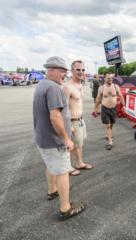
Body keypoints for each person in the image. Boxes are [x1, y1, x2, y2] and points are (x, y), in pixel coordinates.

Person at [33, 56, 86, 221]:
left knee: (51, 166)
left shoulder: (42, 84)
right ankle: (65, 208)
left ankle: (52, 191)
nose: (65, 74)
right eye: (61, 71)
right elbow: (55, 116)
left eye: (65, 71)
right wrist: (66, 139)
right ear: (51, 70)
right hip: (54, 141)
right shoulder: (54, 87)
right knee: (63, 171)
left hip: (43, 139)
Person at [63, 60, 93, 176]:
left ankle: (79, 163)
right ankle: (67, 167)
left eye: (83, 69)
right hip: (72, 121)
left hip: (80, 120)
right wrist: (69, 125)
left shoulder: (80, 84)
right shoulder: (67, 87)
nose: (81, 72)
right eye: (78, 70)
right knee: (71, 145)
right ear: (72, 71)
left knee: (79, 144)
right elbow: (64, 108)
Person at [93, 73, 126, 150]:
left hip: (113, 109)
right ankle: (110, 142)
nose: (110, 79)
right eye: (108, 78)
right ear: (104, 79)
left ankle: (108, 135)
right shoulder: (101, 88)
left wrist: (123, 105)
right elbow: (98, 98)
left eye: (111, 78)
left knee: (111, 124)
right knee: (108, 125)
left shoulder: (116, 87)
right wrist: (95, 108)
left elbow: (120, 96)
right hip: (105, 109)